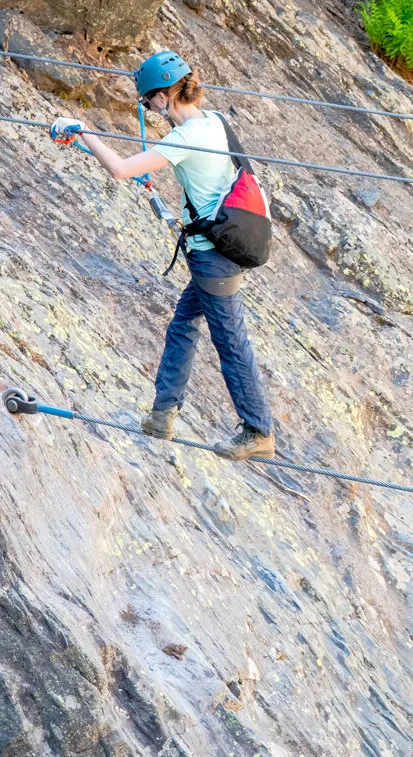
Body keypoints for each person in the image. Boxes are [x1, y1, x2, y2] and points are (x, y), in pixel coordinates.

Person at [49, 50, 275, 461]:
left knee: (230, 341)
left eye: (148, 102)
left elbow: (120, 169)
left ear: (159, 97)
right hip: (221, 247)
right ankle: (162, 415)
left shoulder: (184, 137)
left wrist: (82, 131)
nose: (151, 110)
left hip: (213, 258)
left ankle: (258, 429)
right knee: (183, 325)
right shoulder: (215, 122)